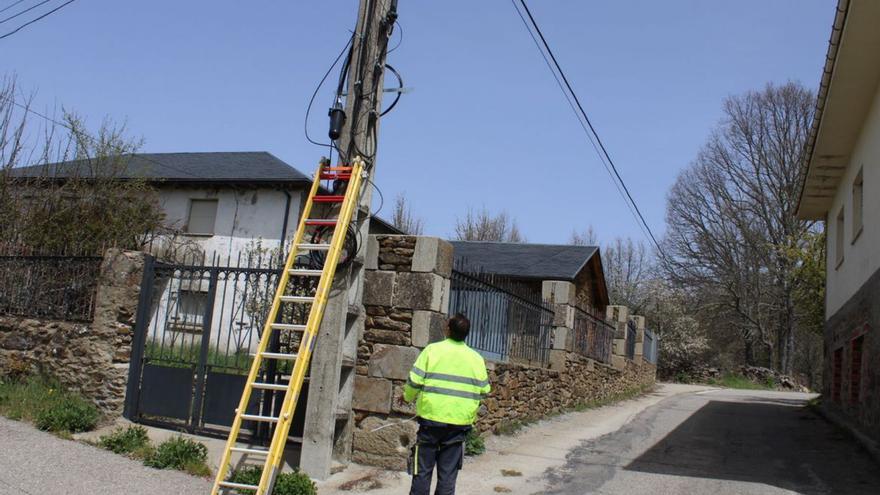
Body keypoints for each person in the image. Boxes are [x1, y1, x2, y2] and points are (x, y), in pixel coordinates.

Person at [404, 313, 491, 495]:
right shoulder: (476, 358)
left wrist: (407, 397)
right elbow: (484, 390)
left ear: (448, 330)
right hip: (459, 425)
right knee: (448, 475)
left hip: (430, 421)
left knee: (422, 471)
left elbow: (414, 381)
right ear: (466, 334)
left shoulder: (432, 350)